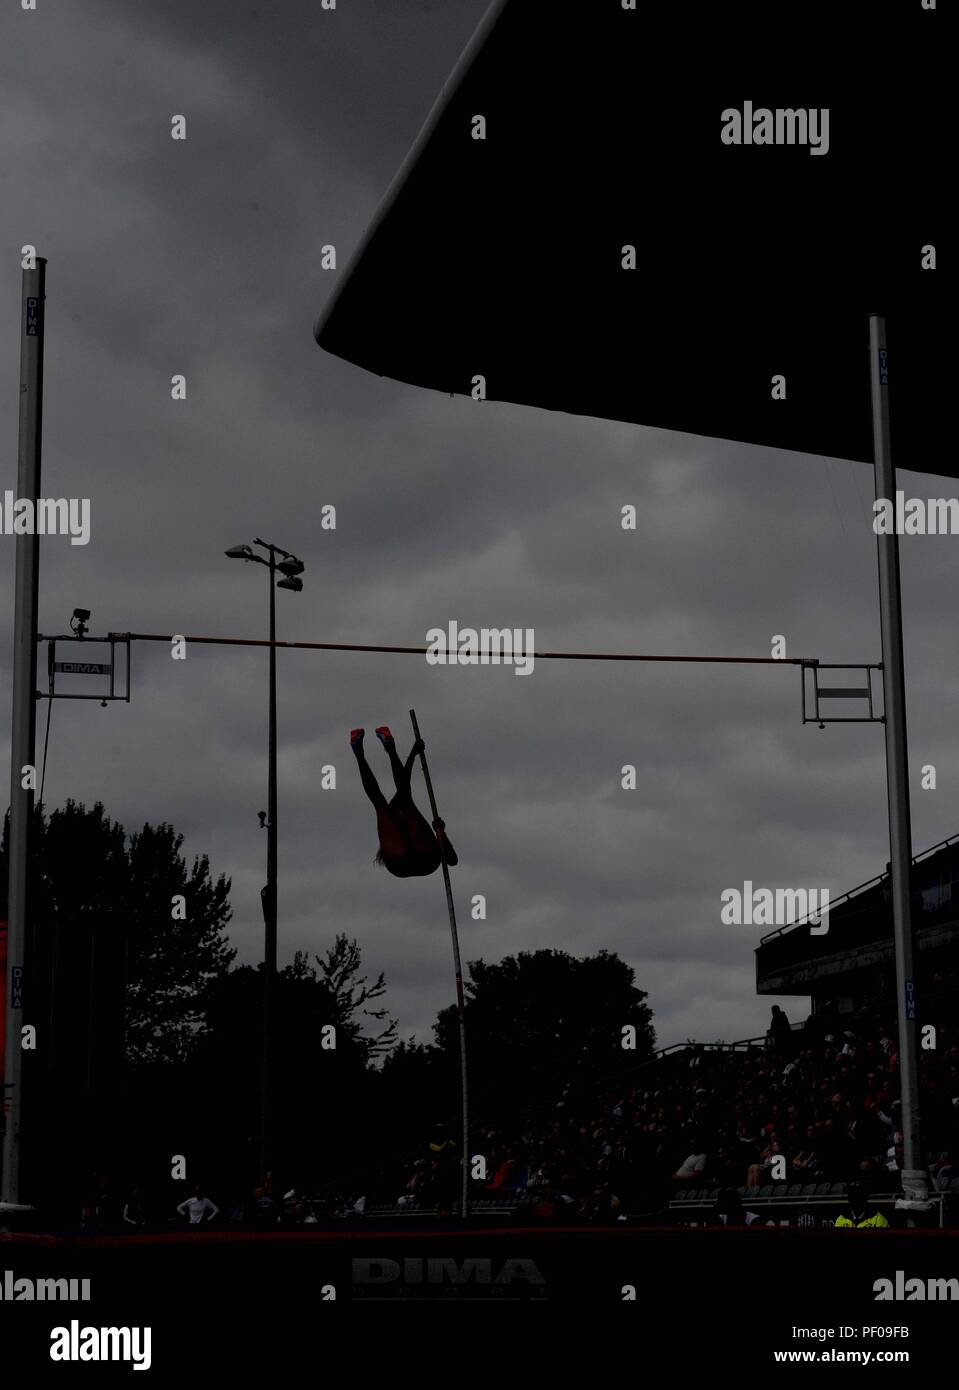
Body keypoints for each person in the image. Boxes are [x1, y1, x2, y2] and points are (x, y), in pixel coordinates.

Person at [351, 726, 457, 877]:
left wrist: (413, 754)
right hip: (423, 862)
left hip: (405, 864)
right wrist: (441, 834)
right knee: (392, 799)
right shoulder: (401, 809)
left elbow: (403, 787)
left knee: (381, 802)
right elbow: (452, 860)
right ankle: (374, 748)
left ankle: (361, 751)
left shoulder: (393, 813)